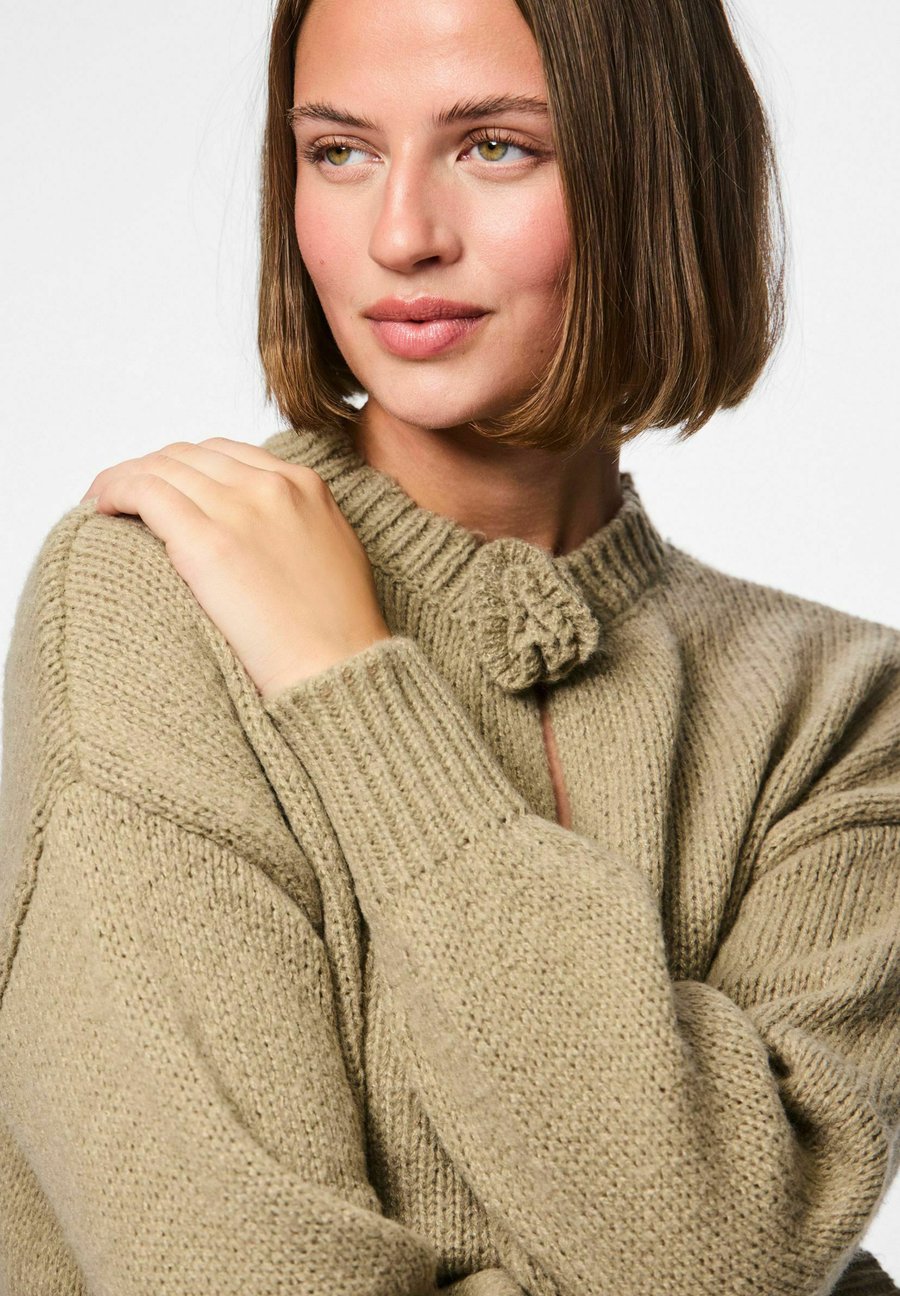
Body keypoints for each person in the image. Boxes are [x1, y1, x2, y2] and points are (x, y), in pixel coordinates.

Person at [0, 0, 897, 1292]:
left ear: (657, 173)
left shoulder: (847, 713)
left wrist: (346, 687)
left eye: (495, 147)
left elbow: (720, 1252)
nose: (401, 235)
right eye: (339, 151)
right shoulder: (159, 587)